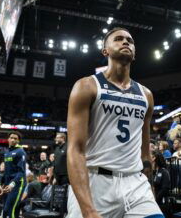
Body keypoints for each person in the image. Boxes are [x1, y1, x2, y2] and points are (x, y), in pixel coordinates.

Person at [66, 27, 163, 218]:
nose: (126, 42)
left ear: (134, 53)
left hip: (135, 184)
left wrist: (149, 191)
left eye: (130, 40)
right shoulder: (86, 86)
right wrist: (88, 209)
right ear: (105, 51)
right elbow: (75, 149)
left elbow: (145, 152)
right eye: (118, 39)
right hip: (95, 182)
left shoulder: (146, 95)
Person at [2, 131, 27, 218]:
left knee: (9, 209)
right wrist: (2, 183)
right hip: (7, 183)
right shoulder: (6, 152)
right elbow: (6, 171)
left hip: (17, 184)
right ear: (8, 139)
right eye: (11, 138)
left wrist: (12, 184)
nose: (13, 140)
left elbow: (21, 172)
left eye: (15, 138)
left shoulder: (20, 152)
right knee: (7, 211)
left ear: (18, 141)